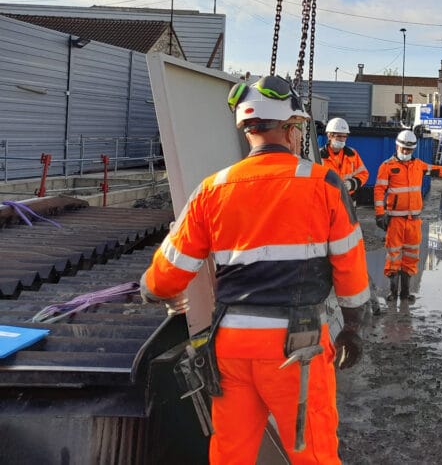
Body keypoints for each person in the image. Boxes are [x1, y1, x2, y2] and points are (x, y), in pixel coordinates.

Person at [139, 74, 369, 465]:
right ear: (291, 127)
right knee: (312, 453)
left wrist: (151, 287)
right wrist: (352, 327)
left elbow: (166, 277)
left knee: (231, 455)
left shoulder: (213, 188)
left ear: (246, 130)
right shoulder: (323, 183)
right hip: (299, 350)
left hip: (230, 348)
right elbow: (350, 266)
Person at [373, 129, 441, 302]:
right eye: (403, 149)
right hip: (395, 220)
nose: (405, 153)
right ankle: (392, 292)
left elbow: (438, 170)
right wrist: (380, 215)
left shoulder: (419, 165)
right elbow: (379, 191)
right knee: (393, 256)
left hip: (413, 221)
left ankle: (405, 293)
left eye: (409, 150)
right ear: (397, 146)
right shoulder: (387, 166)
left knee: (411, 256)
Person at [319, 117, 368, 196]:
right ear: (329, 136)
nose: (342, 139)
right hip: (327, 198)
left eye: (344, 136)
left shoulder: (352, 154)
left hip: (347, 199)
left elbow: (363, 174)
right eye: (339, 136)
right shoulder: (319, 155)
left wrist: (352, 184)